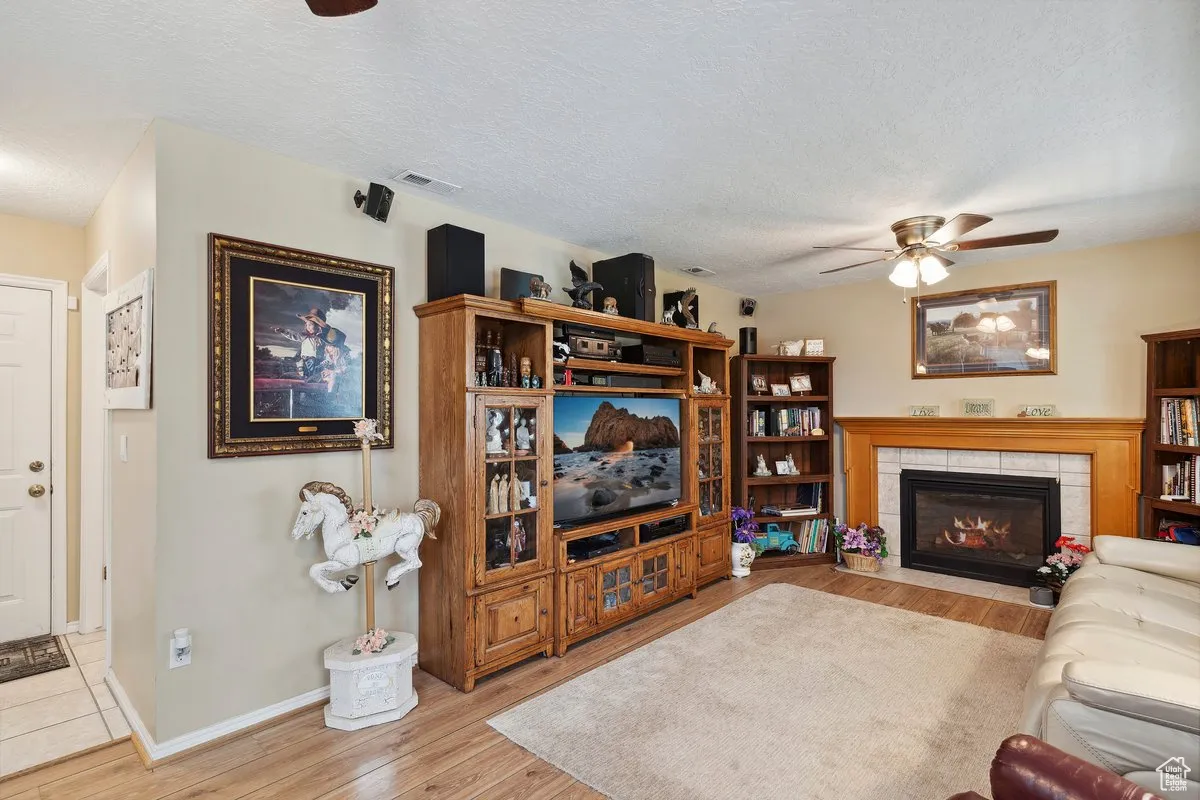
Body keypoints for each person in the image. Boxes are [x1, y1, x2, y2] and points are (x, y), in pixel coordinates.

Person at [274, 307, 329, 379]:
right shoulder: (304, 336)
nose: (308, 327)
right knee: (304, 375)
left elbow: (327, 350)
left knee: (314, 376)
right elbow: (293, 335)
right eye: (306, 325)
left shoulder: (322, 338)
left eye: (310, 325)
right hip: (305, 361)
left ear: (318, 326)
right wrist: (283, 331)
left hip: (317, 362)